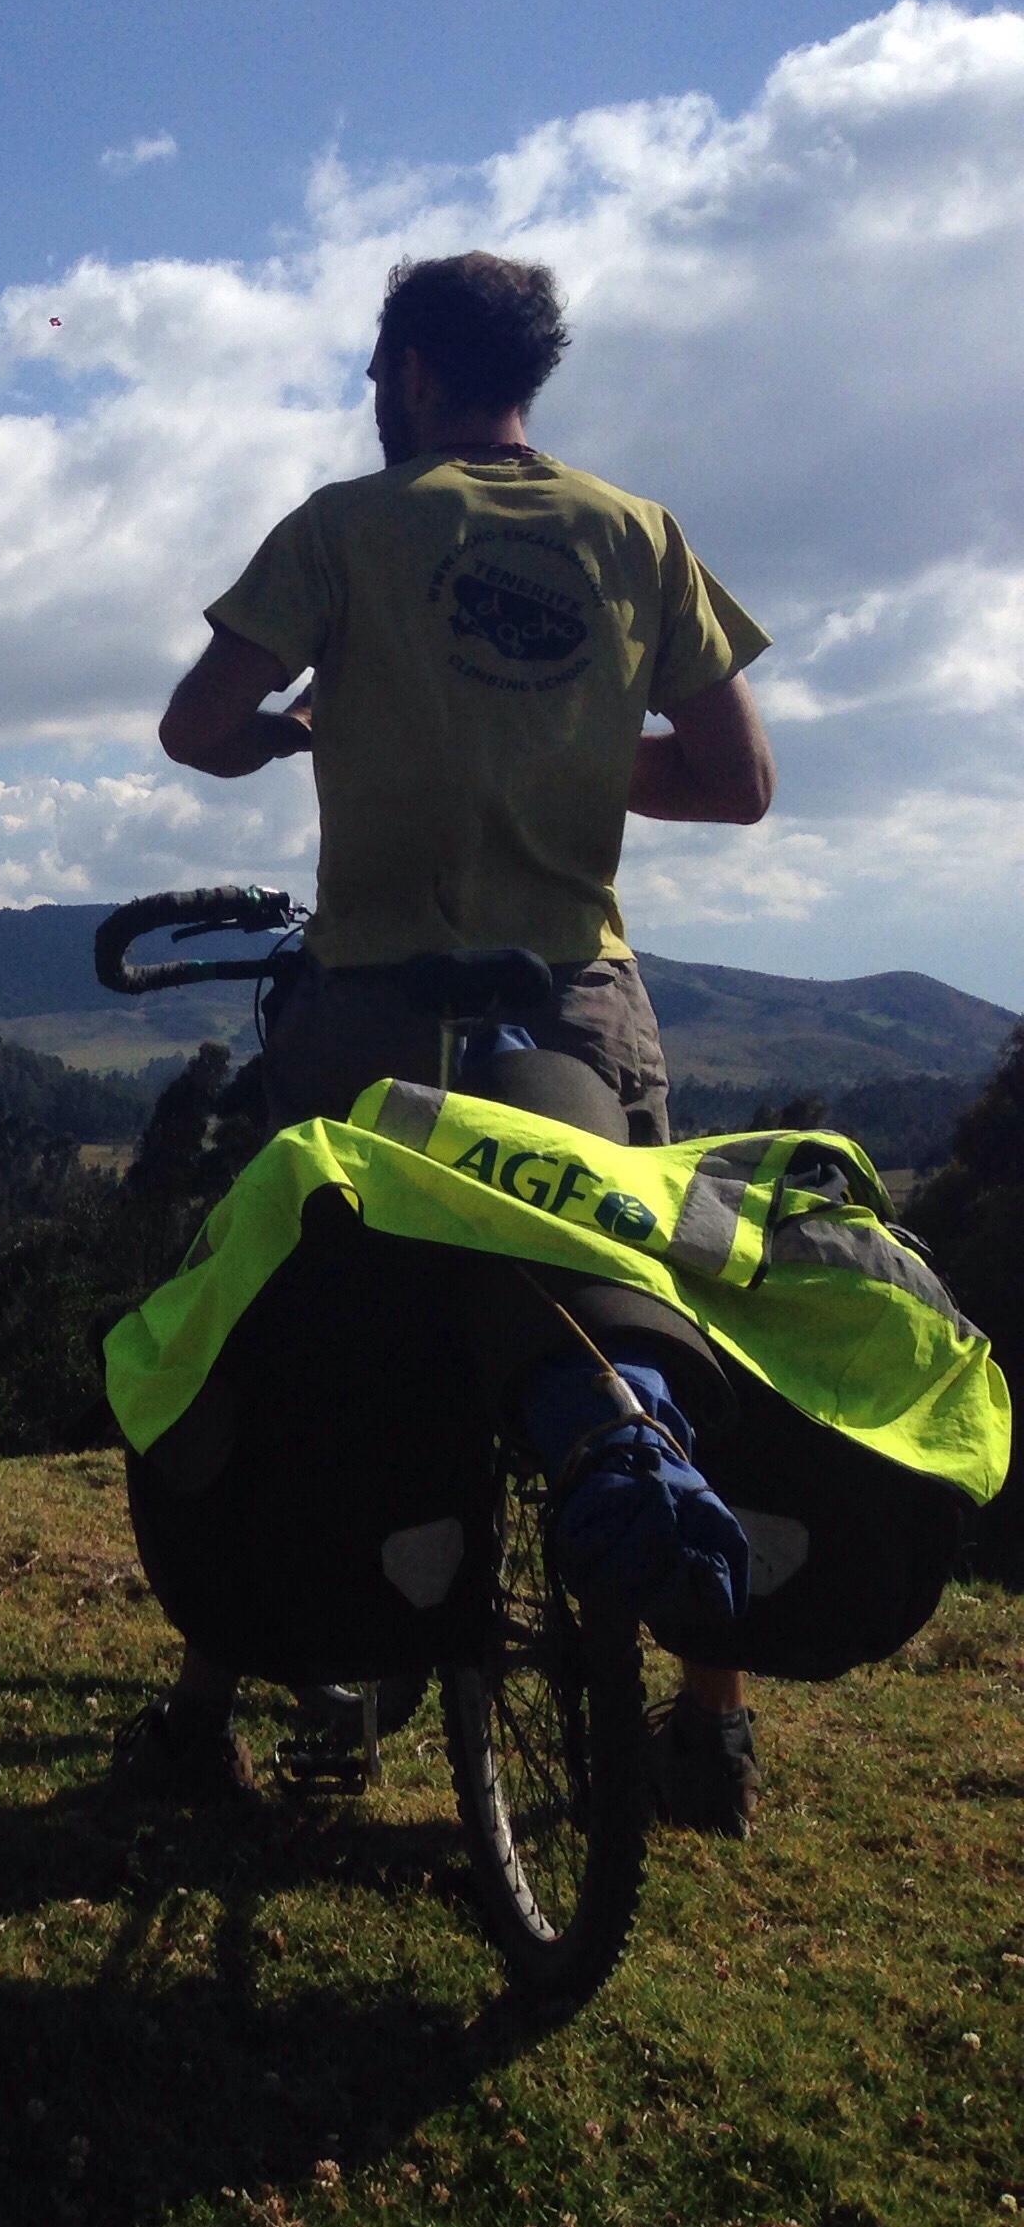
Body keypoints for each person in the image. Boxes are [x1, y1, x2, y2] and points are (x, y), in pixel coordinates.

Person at [117, 250, 779, 1833]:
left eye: (376, 371)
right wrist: (565, 752)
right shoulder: (640, 534)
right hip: (579, 1000)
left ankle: (211, 1706)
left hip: (376, 1007)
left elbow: (194, 728)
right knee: (647, 1300)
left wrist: (306, 728)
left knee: (282, 1324)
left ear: (413, 371)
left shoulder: (348, 526)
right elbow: (739, 783)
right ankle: (712, 1721)